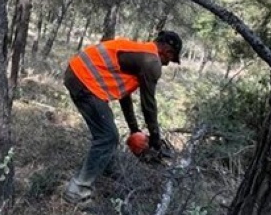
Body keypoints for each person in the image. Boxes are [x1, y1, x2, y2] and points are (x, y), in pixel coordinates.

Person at [63, 30, 183, 205]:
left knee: (107, 133)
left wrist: (134, 128)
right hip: (85, 80)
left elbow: (123, 96)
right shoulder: (151, 61)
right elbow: (148, 104)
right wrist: (155, 138)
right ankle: (77, 191)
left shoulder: (139, 53)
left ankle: (106, 168)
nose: (166, 64)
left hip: (78, 74)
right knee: (107, 137)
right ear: (167, 51)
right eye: (170, 59)